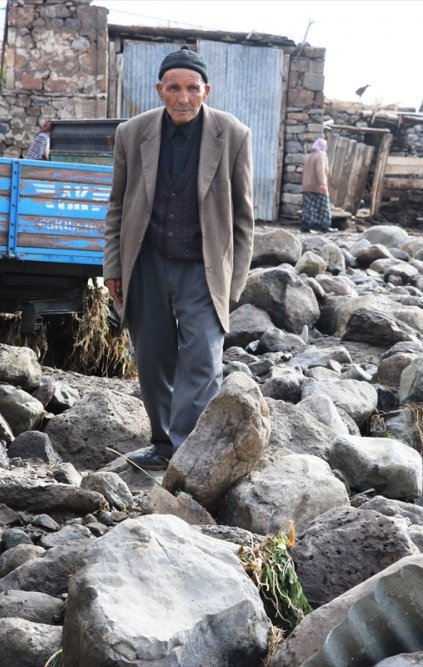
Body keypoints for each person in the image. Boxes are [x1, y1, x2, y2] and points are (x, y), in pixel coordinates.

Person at [103, 46, 255, 470]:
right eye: (174, 88)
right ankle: (162, 442)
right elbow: (116, 207)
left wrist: (234, 282)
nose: (184, 97)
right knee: (152, 356)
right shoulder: (132, 134)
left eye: (192, 88)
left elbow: (244, 218)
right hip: (147, 262)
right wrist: (113, 266)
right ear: (160, 90)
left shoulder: (234, 135)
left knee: (203, 359)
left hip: (203, 266)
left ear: (207, 90)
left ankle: (187, 450)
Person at [300, 137, 332, 232]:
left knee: (308, 207)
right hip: (317, 186)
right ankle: (325, 226)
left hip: (306, 186)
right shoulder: (320, 156)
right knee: (324, 206)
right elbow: (320, 170)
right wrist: (323, 183)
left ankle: (305, 226)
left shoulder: (308, 157)